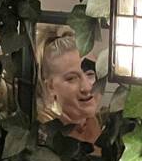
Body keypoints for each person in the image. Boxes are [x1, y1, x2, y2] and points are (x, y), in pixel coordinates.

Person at [37, 25, 102, 153]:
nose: (86, 87)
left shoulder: (107, 126)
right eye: (72, 78)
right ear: (50, 87)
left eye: (90, 74)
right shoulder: (42, 138)